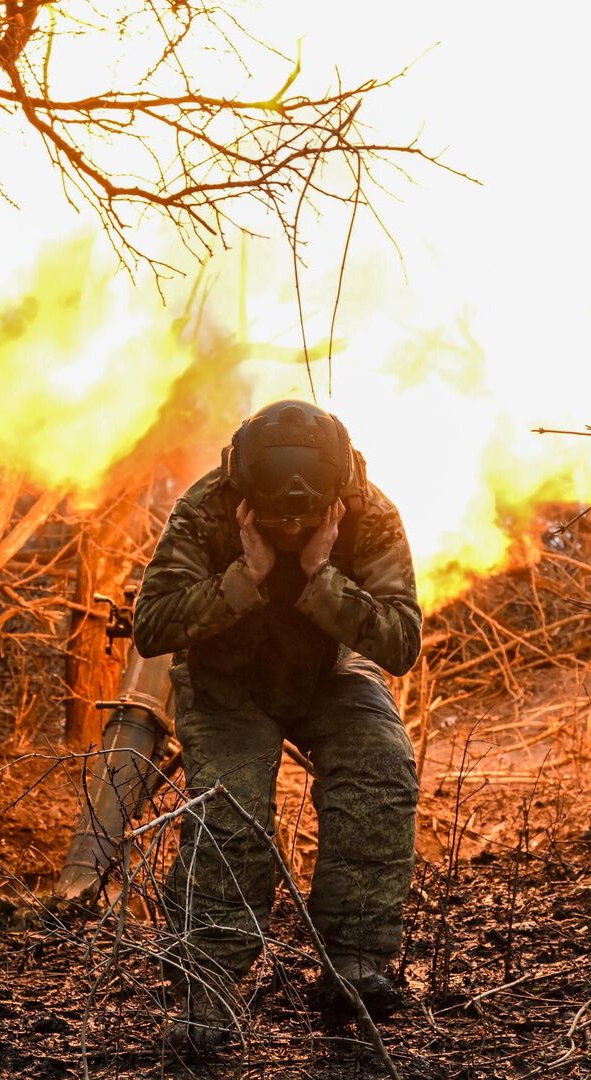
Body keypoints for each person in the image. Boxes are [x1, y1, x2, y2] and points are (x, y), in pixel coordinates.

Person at [132, 399, 423, 1057]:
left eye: (305, 517)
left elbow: (402, 641)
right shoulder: (206, 508)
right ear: (247, 494)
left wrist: (321, 574)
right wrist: (248, 576)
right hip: (228, 683)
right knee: (229, 811)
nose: (291, 526)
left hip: (330, 672)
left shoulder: (368, 511)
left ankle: (354, 969)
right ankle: (207, 989)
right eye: (278, 516)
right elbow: (152, 626)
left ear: (335, 496)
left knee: (381, 768)